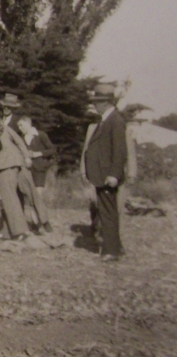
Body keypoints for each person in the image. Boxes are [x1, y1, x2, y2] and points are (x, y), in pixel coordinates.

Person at [84, 84, 127, 262]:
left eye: (98, 102)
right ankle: (115, 246)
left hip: (107, 176)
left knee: (108, 212)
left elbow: (120, 151)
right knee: (107, 211)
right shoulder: (107, 120)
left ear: (106, 103)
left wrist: (114, 174)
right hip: (102, 175)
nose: (95, 105)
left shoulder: (115, 120)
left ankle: (112, 251)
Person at [0, 94, 49, 234]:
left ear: (13, 108)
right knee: (13, 194)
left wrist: (27, 157)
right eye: (4, 106)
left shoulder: (16, 122)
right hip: (5, 162)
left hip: (18, 161)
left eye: (9, 107)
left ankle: (41, 222)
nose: (6, 109)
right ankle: (17, 227)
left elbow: (21, 142)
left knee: (28, 192)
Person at [0, 110, 34, 240]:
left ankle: (20, 231)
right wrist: (25, 157)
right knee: (9, 198)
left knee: (9, 198)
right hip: (13, 163)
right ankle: (8, 231)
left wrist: (26, 157)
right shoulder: (5, 127)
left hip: (5, 165)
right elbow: (19, 141)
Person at [16, 115, 56, 233]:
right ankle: (37, 224)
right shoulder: (21, 138)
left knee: (38, 196)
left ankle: (45, 222)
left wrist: (38, 154)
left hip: (39, 169)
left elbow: (52, 149)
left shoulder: (40, 135)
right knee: (30, 197)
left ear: (28, 124)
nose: (19, 128)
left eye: (21, 125)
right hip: (27, 170)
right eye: (18, 126)